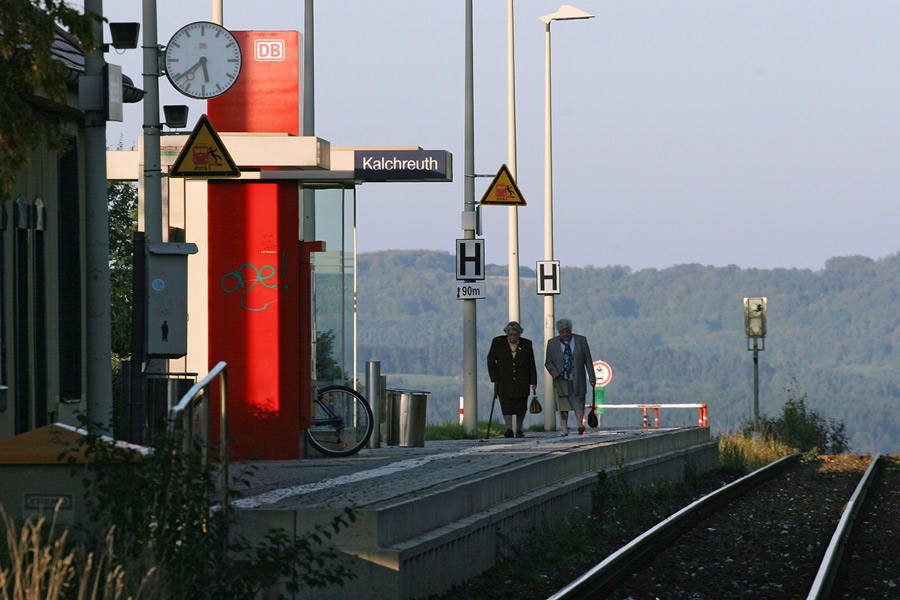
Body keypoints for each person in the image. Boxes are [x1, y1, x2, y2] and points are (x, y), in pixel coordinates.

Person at [544, 318, 596, 436]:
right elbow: (548, 362)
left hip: (577, 377)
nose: (565, 334)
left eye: (567, 331)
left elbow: (587, 359)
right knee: (562, 403)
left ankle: (579, 425)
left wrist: (592, 377)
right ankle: (564, 428)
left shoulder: (581, 340)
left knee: (578, 400)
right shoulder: (552, 343)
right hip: (561, 378)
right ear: (559, 332)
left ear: (571, 330)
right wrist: (554, 372)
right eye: (562, 332)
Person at [487, 321, 538, 438]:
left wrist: (533, 381)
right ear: (507, 334)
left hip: (522, 380)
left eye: (515, 335)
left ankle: (519, 429)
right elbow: (490, 360)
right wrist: (495, 377)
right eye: (510, 335)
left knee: (521, 406)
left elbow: (531, 364)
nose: (513, 337)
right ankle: (508, 428)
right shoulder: (498, 342)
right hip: (504, 380)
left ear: (519, 334)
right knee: (506, 404)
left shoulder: (527, 344)